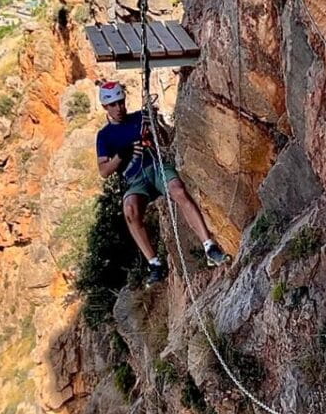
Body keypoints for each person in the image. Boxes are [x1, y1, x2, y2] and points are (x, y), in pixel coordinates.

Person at [95, 80, 231, 287]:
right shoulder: (104, 136)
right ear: (106, 107)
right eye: (113, 105)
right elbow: (104, 171)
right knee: (130, 210)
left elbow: (165, 140)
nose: (119, 108)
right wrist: (120, 157)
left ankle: (209, 245)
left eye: (120, 102)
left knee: (178, 191)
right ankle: (154, 264)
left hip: (156, 165)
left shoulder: (140, 117)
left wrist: (155, 124)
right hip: (134, 178)